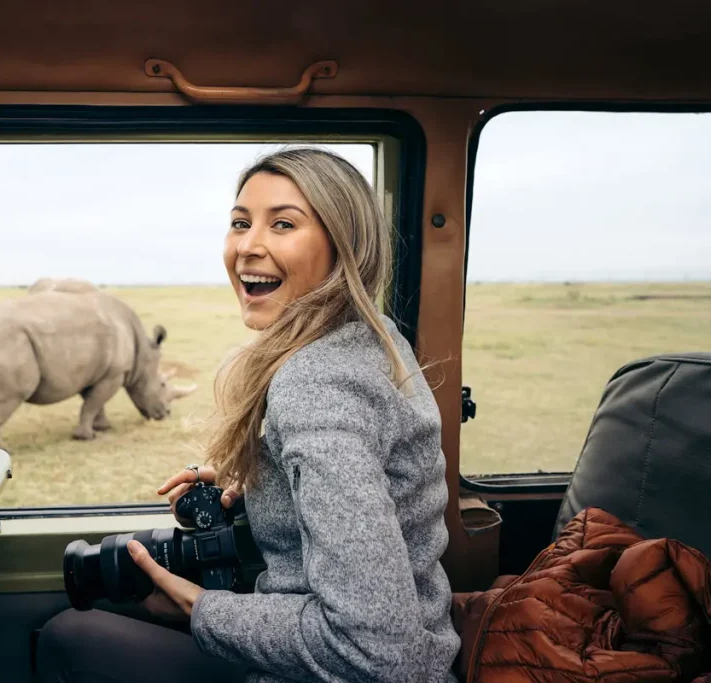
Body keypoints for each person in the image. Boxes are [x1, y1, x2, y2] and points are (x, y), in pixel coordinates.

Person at [35, 147, 460, 682]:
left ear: (343, 245)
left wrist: (199, 609)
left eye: (283, 224)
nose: (247, 246)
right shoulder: (374, 335)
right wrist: (271, 475)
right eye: (240, 222)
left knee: (69, 638)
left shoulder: (317, 382)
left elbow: (378, 648)